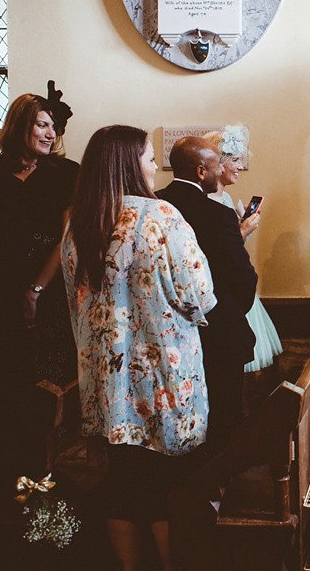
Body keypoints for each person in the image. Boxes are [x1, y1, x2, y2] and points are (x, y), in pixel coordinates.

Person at [61, 125, 216, 571]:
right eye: (150, 158)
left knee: (123, 480)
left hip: (106, 382)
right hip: (162, 379)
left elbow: (73, 304)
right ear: (130, 164)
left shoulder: (78, 221)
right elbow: (198, 294)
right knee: (170, 483)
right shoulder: (160, 216)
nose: (154, 167)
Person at [157, 136, 258, 450]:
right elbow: (243, 278)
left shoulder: (154, 204)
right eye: (217, 166)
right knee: (222, 412)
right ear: (201, 171)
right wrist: (227, 311)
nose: (221, 172)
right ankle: (217, 482)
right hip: (216, 332)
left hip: (163, 331)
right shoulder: (217, 215)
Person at [0, 86, 79, 391]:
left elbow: (67, 238)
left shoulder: (65, 174)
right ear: (20, 125)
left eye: (53, 126)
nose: (51, 134)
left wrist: (35, 290)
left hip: (50, 290)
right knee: (1, 375)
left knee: (47, 380)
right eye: (42, 125)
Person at [204, 124, 282, 373]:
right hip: (222, 292)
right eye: (235, 160)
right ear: (218, 162)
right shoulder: (204, 202)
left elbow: (230, 247)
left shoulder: (226, 199)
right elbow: (214, 253)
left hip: (240, 286)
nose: (240, 166)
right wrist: (243, 230)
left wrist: (242, 228)